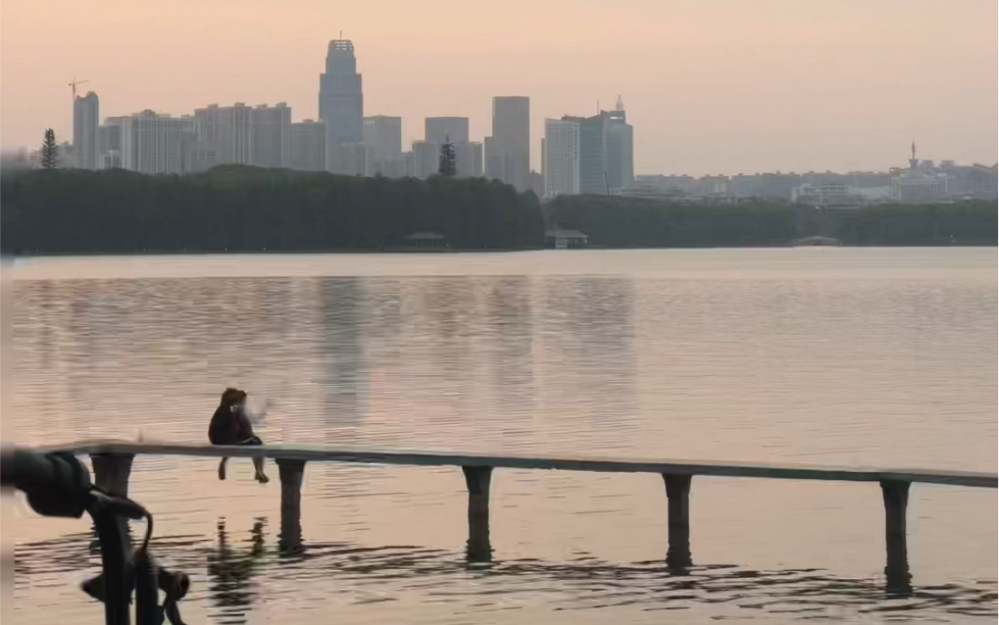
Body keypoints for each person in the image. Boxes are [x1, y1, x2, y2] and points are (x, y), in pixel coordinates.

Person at [208, 388, 269, 483]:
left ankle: (224, 461)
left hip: (219, 439)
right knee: (257, 442)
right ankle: (259, 471)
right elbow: (240, 430)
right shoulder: (233, 410)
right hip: (228, 440)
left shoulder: (222, 410)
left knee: (252, 440)